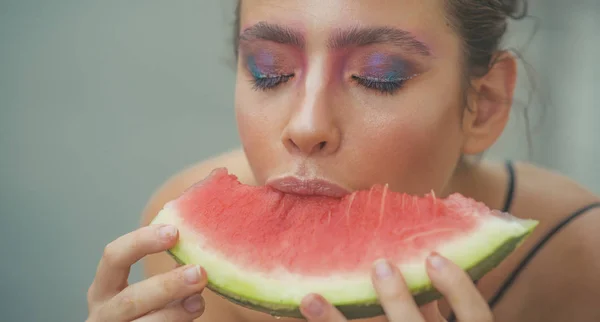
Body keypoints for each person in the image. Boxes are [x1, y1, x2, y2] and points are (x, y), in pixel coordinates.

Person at [85, 0, 600, 321]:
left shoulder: (580, 262)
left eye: (380, 76)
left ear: (483, 104)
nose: (306, 127)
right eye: (269, 71)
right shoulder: (181, 241)